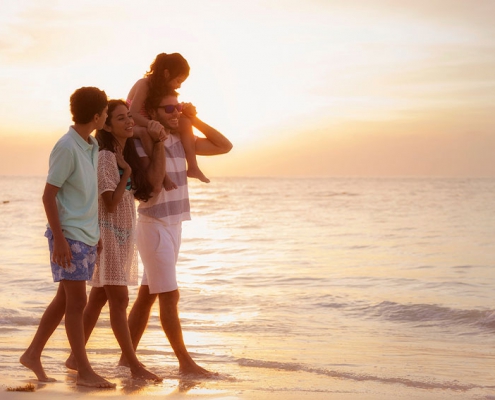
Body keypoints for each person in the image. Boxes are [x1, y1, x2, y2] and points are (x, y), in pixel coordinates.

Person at [120, 88, 232, 375]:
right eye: (168, 109)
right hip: (154, 224)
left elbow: (224, 146)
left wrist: (193, 118)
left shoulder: (184, 142)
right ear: (153, 113)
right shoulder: (143, 141)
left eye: (178, 107)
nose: (175, 113)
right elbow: (149, 186)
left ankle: (124, 359)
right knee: (170, 296)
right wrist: (155, 137)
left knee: (147, 295)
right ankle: (185, 363)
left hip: (175, 225)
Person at [20, 87, 116, 388]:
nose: (106, 117)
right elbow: (49, 196)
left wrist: (96, 233)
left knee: (64, 300)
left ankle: (33, 353)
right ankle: (83, 369)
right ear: (97, 114)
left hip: (86, 235)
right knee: (77, 302)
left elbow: (85, 197)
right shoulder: (66, 147)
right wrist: (59, 240)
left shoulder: (92, 144)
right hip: (69, 236)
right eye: (105, 112)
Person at [64, 100, 164, 381]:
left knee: (97, 298)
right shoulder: (107, 156)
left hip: (120, 234)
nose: (129, 122)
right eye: (121, 118)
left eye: (130, 116)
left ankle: (75, 356)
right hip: (107, 232)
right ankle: (134, 365)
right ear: (106, 125)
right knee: (119, 299)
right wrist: (128, 175)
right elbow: (109, 202)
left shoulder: (121, 152)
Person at [127, 52, 210, 187]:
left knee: (185, 122)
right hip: (135, 125)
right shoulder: (145, 84)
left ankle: (193, 166)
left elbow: (165, 107)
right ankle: (164, 176)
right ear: (166, 74)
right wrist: (151, 124)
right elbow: (132, 114)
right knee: (145, 132)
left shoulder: (162, 89)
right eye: (178, 81)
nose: (179, 86)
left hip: (152, 123)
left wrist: (184, 108)